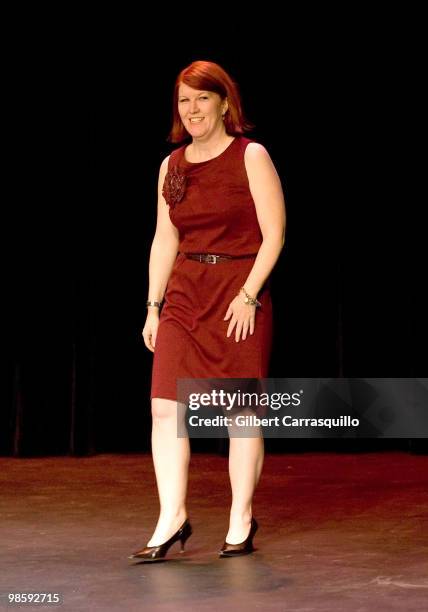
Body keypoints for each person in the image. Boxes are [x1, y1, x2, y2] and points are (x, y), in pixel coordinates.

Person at [129, 60, 286, 562]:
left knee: (240, 413)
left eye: (201, 98)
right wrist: (153, 306)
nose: (192, 109)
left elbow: (274, 234)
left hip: (237, 292)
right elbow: (164, 237)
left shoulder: (250, 155)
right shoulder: (170, 166)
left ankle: (241, 518)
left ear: (223, 102)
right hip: (185, 292)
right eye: (183, 100)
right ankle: (172, 516)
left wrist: (249, 294)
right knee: (164, 407)